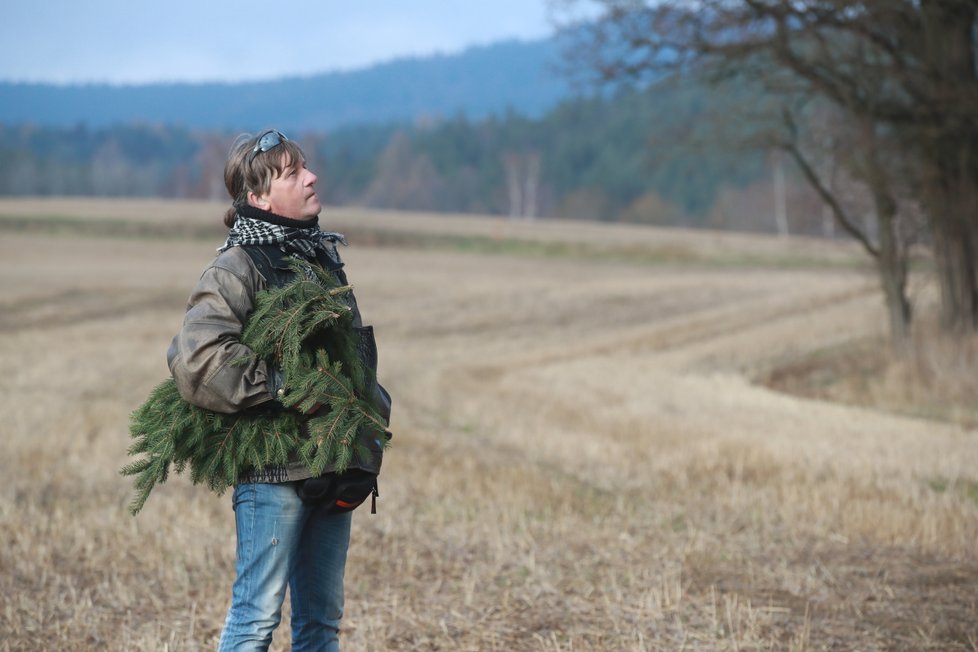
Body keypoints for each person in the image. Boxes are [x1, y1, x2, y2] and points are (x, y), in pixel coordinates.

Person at [167, 129, 384, 651]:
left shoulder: (321, 259)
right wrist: (287, 386)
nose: (311, 177)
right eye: (293, 173)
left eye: (305, 167)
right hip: (273, 475)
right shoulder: (236, 267)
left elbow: (351, 363)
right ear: (259, 196)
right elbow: (198, 359)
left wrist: (367, 437)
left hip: (333, 468)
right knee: (256, 619)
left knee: (321, 625)